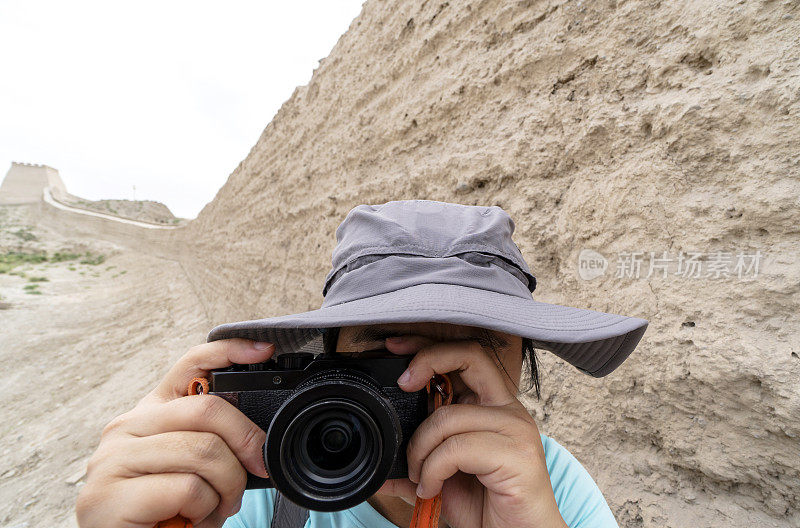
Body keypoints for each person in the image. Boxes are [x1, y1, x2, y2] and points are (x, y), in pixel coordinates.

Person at [76, 200, 648, 528]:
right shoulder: (264, 493)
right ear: (328, 365)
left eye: (472, 356)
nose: (431, 394)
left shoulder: (550, 485)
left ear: (522, 366)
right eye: (386, 351)